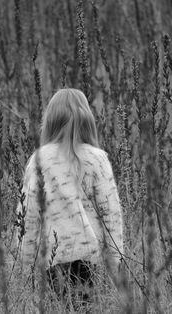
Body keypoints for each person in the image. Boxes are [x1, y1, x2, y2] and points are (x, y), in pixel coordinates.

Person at [15, 88, 123, 296]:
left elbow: (27, 216)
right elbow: (111, 214)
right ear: (87, 120)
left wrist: (26, 262)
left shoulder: (40, 160)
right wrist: (115, 261)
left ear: (50, 122)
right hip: (92, 262)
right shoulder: (97, 159)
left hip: (53, 261)